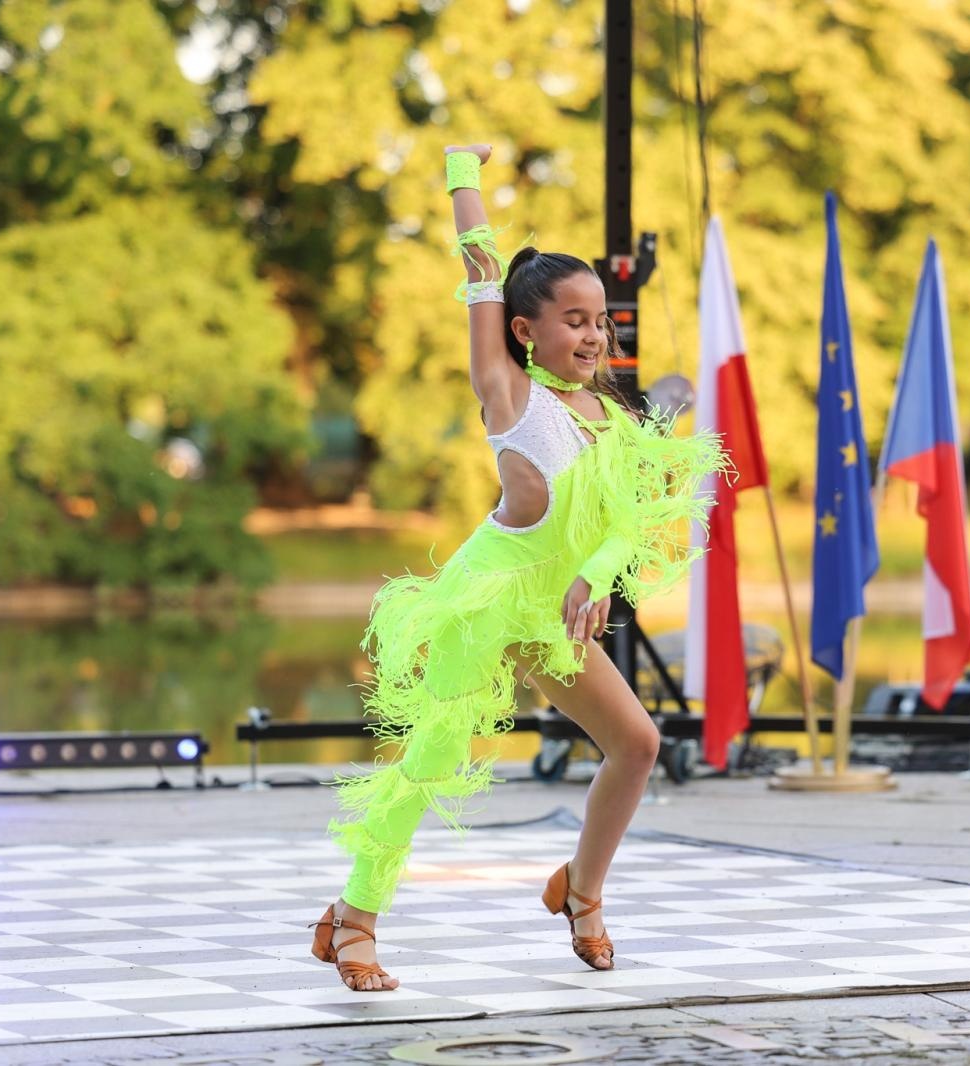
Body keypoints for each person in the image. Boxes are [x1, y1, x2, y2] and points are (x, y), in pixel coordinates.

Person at [306, 143, 731, 991]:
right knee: (432, 757)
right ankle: (353, 919)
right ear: (526, 329)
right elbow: (480, 270)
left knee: (638, 743)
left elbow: (630, 522)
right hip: (487, 598)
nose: (594, 332)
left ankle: (582, 892)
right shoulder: (508, 392)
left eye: (600, 319)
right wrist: (463, 176)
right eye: (574, 318)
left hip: (550, 610)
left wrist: (593, 575)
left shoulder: (612, 418)